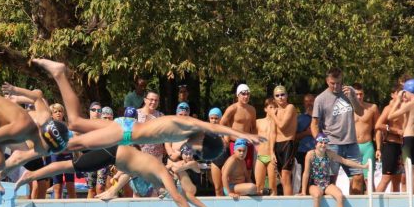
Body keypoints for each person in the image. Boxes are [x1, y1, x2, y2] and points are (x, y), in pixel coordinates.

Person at [30, 59, 263, 158]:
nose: (195, 152)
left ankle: (60, 75)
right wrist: (245, 135)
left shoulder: (187, 135)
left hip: (126, 126)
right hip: (125, 133)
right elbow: (219, 131)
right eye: (199, 151)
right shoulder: (191, 125)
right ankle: (27, 154)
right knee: (74, 144)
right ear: (203, 142)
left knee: (75, 123)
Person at [13, 144, 213, 207]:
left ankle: (30, 156)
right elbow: (179, 197)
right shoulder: (162, 173)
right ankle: (30, 170)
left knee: (70, 148)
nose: (164, 190)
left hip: (112, 151)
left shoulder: (153, 171)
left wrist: (112, 191)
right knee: (69, 164)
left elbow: (129, 173)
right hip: (111, 154)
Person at [311, 68, 365, 194]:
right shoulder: (321, 99)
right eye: (332, 83)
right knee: (329, 181)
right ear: (327, 81)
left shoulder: (349, 92)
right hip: (331, 144)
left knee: (358, 177)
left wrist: (352, 97)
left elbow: (361, 112)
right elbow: (314, 124)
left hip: (351, 143)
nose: (336, 86)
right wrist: (319, 142)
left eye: (339, 83)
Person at [301, 134, 367, 207]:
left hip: (327, 184)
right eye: (321, 142)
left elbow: (345, 161)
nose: (323, 145)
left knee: (339, 195)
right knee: (317, 195)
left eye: (325, 143)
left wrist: (362, 166)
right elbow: (306, 173)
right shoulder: (310, 155)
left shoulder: (329, 153)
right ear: (316, 144)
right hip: (314, 184)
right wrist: (303, 191)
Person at [389, 78, 414, 194]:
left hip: (408, 139)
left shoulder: (411, 104)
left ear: (408, 91)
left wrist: (398, 101)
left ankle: (411, 196)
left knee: (409, 168)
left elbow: (391, 116)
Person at [375, 84, 405, 193]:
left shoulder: (405, 108)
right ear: (393, 95)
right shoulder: (388, 109)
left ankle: (396, 206)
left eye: (403, 93)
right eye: (399, 93)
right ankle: (373, 206)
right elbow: (378, 125)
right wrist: (396, 131)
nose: (402, 96)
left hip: (402, 146)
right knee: (386, 179)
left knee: (398, 180)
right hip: (391, 145)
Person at [220, 84, 257, 172]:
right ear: (238, 95)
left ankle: (247, 185)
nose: (246, 96)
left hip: (248, 143)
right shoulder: (232, 108)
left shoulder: (252, 110)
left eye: (248, 94)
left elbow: (254, 127)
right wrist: (225, 138)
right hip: (235, 142)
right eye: (243, 94)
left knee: (248, 170)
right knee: (237, 170)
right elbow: (221, 124)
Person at [270, 86, 298, 195]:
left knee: (286, 176)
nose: (280, 97)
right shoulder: (275, 112)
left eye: (282, 94)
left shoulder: (290, 107)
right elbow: (273, 132)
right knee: (282, 177)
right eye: (277, 95)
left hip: (288, 143)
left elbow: (282, 126)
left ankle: (288, 202)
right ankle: (286, 202)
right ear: (274, 98)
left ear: (287, 95)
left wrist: (272, 114)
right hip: (277, 145)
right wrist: (271, 151)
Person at [352, 83, 379, 187]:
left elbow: (377, 128)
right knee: (354, 180)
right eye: (356, 94)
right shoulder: (347, 109)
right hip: (352, 147)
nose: (359, 97)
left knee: (369, 179)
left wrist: (379, 148)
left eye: (361, 94)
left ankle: (374, 203)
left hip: (367, 145)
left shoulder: (372, 108)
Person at [48, 103, 75, 199]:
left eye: (60, 111)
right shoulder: (48, 128)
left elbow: (73, 143)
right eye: (55, 112)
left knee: (70, 186)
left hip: (68, 157)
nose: (58, 113)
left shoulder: (69, 127)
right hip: (55, 158)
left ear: (63, 114)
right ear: (51, 115)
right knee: (57, 188)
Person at [254, 98, 278, 195]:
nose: (273, 109)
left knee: (273, 187)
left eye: (275, 107)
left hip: (272, 157)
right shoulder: (258, 122)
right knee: (259, 186)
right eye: (271, 107)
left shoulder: (277, 123)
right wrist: (256, 149)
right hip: (260, 156)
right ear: (265, 109)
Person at [207, 107, 230, 196]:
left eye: (216, 118)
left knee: (226, 188)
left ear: (220, 119)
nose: (214, 120)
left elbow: (226, 144)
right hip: (215, 161)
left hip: (225, 161)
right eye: (212, 118)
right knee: (217, 188)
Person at [295, 94, 315, 190]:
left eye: (311, 101)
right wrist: (307, 133)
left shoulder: (321, 117)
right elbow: (294, 137)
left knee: (316, 179)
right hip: (302, 151)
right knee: (302, 177)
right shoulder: (299, 119)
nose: (309, 103)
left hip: (318, 152)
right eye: (306, 101)